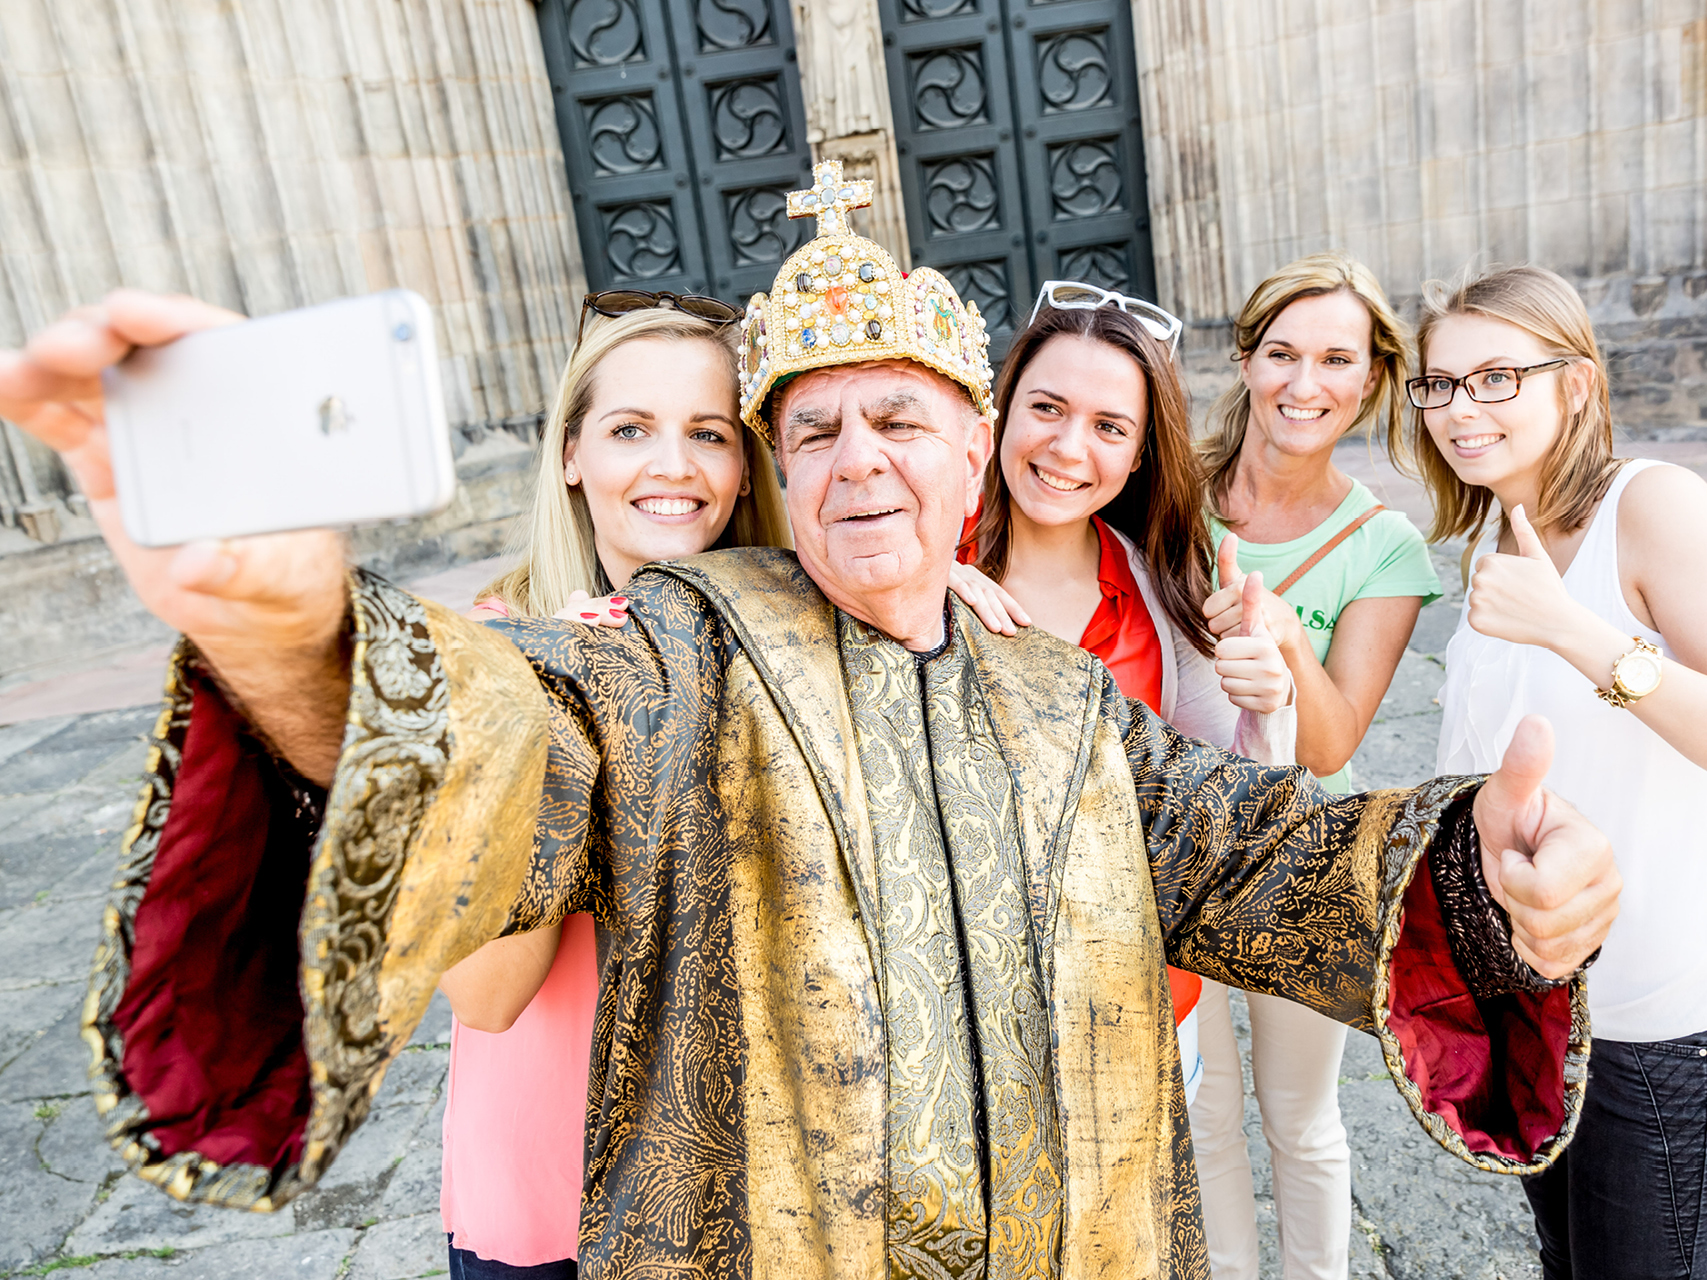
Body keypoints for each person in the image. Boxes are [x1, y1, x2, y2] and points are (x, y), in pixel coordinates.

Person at [3, 165, 1619, 1279]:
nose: (858, 461)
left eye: (901, 420)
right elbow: (511, 749)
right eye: (817, 428)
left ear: (971, 460)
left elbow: (1250, 851)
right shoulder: (678, 653)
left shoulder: (1060, 699)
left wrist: (1474, 871)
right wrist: (295, 633)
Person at [434, 298, 791, 1280]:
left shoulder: (797, 639)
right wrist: (562, 711)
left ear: (742, 467)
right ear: (570, 454)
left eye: (708, 434)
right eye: (630, 428)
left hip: (757, 1176)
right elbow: (487, 992)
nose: (672, 464)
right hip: (563, 1180)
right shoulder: (492, 655)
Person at [1415, 264, 1707, 1280]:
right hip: (1541, 1007)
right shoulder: (1496, 535)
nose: (1461, 408)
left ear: (1576, 383)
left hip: (1657, 1019)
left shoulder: (1651, 506)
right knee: (1566, 1258)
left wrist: (1576, 632)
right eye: (1440, 383)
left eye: (1497, 377)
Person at [950, 284, 1298, 1108]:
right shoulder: (918, 564)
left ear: (1140, 454)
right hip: (968, 1027)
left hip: (1137, 1013)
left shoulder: (1161, 594)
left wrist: (1267, 704)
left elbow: (1231, 810)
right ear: (998, 413)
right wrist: (915, 594)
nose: (1069, 447)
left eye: (1109, 427)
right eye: (1046, 407)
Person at [1189, 252, 1443, 1280]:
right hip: (1168, 846)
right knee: (1200, 1111)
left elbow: (1333, 742)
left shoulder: (1384, 545)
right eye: (1283, 352)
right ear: (1245, 361)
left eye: (1336, 358)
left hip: (1301, 856)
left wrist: (1286, 634)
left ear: (1372, 378)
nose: (1306, 383)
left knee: (1301, 1119)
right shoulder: (1166, 493)